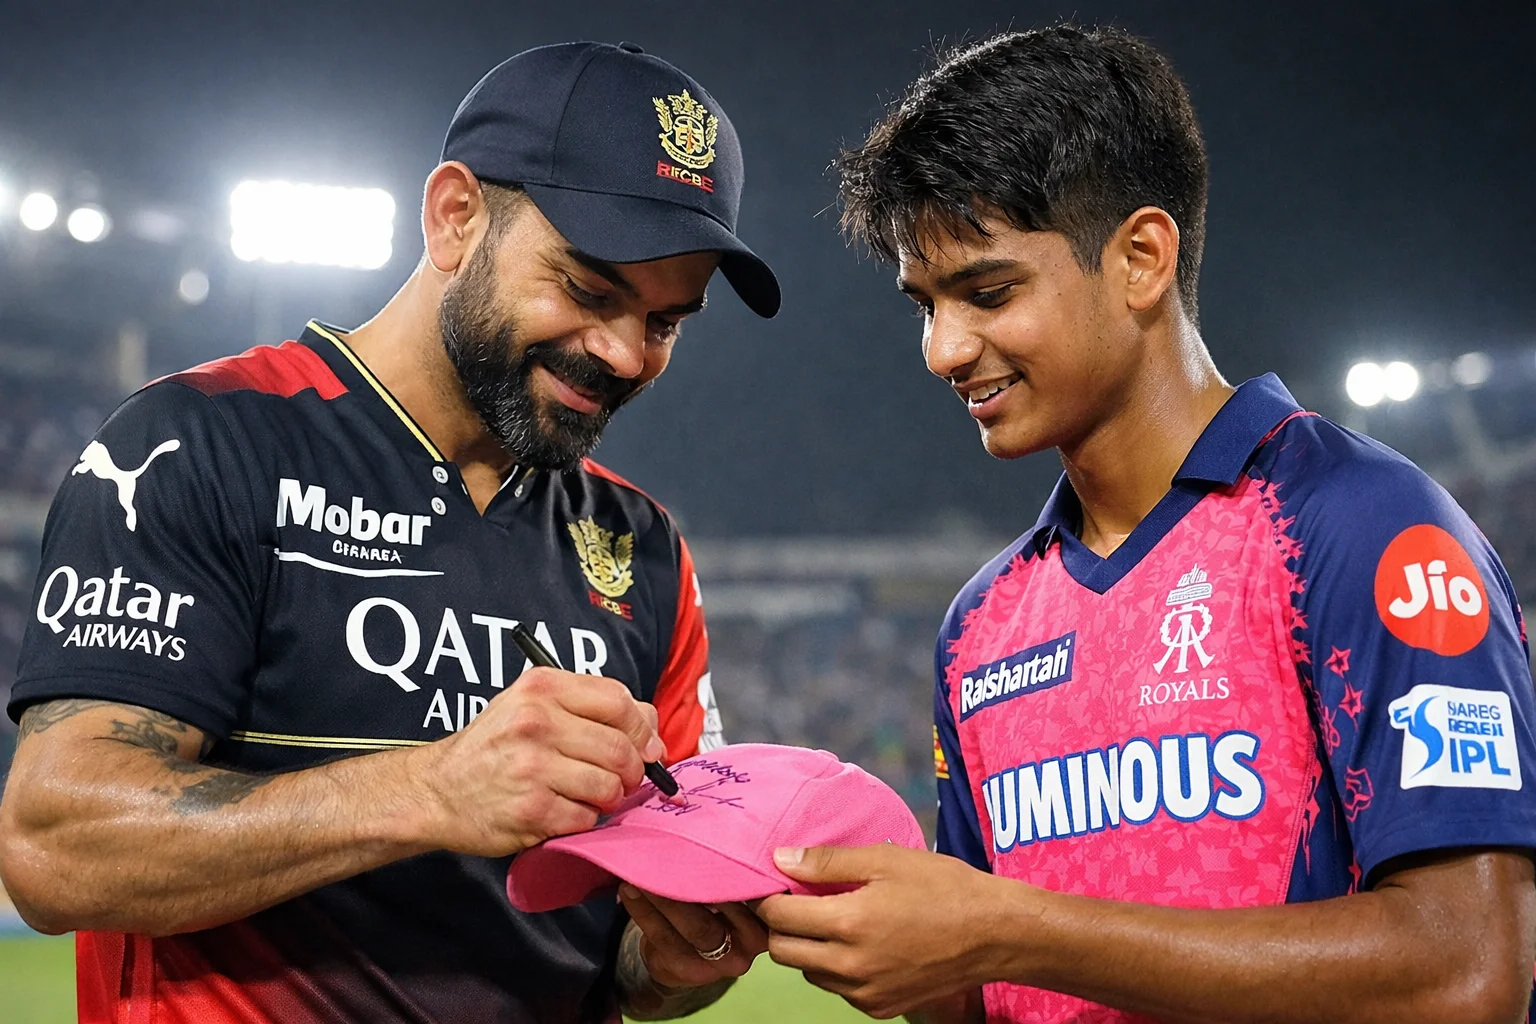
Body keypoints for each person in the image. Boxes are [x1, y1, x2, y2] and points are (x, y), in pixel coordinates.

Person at [756, 24, 1536, 1024]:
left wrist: (1014, 927)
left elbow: (1466, 973)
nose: (944, 348)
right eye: (925, 303)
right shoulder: (982, 625)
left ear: (1140, 258)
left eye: (987, 290)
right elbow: (985, 987)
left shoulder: (1360, 530)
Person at [0, 41, 778, 1024]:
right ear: (456, 217)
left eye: (667, 321)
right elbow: (55, 846)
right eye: (588, 289)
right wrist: (436, 789)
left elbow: (633, 963)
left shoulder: (642, 543)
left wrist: (686, 950)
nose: (625, 352)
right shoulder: (199, 443)